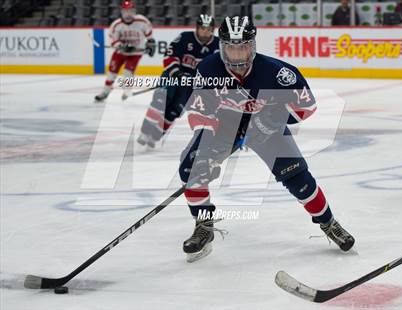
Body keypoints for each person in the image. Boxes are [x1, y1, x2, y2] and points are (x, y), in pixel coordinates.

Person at [179, 16, 355, 262]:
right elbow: (200, 111)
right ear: (222, 46)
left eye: (243, 46)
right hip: (224, 125)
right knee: (191, 166)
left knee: (297, 177)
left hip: (266, 126)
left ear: (252, 46)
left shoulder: (278, 73)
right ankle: (204, 226)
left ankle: (328, 223)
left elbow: (307, 106)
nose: (237, 53)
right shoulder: (208, 69)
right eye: (231, 46)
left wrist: (272, 119)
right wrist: (208, 152)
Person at [137, 14, 219, 148]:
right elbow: (170, 55)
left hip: (192, 87)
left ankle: (156, 135)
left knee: (175, 111)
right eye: (203, 28)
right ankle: (145, 132)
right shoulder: (185, 38)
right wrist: (177, 73)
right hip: (172, 77)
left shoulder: (218, 46)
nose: (205, 31)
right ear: (197, 28)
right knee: (160, 101)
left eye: (209, 29)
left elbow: (218, 69)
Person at [94, 1, 156, 102]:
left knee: (128, 72)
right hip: (120, 53)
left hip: (135, 53)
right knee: (112, 73)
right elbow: (114, 40)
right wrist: (121, 46)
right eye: (126, 11)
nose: (128, 14)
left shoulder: (142, 21)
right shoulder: (116, 25)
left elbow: (149, 35)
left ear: (134, 11)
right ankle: (105, 92)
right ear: (121, 12)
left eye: (131, 11)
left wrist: (151, 45)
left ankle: (127, 90)